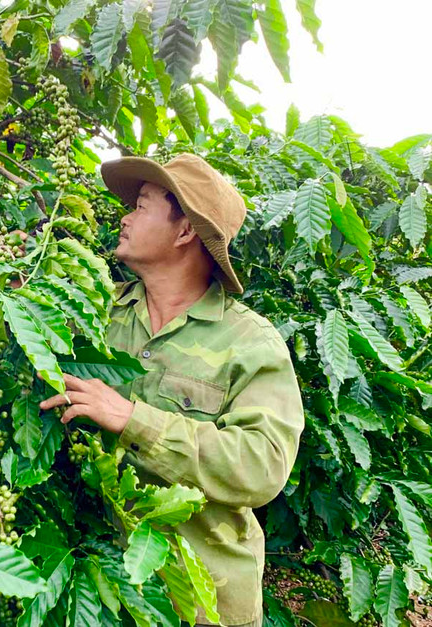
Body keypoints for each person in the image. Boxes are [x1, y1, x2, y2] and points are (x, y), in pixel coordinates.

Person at [39, 153, 304, 626]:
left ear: (185, 232)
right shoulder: (96, 313)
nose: (124, 217)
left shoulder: (249, 342)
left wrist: (132, 419)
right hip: (96, 588)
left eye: (141, 205)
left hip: (202, 605)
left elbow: (262, 465)